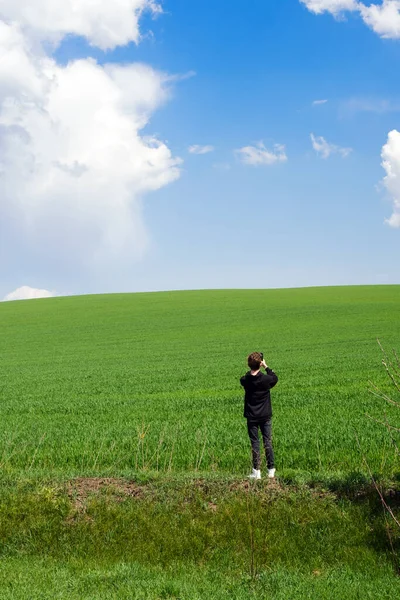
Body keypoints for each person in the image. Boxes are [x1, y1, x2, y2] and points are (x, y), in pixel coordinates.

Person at [240, 352, 278, 480]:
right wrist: (266, 367)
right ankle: (271, 470)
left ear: (249, 364)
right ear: (260, 364)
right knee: (267, 441)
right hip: (265, 415)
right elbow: (274, 378)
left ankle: (256, 472)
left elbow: (244, 378)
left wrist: (252, 369)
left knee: (255, 443)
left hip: (252, 416)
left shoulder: (245, 380)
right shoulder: (266, 380)